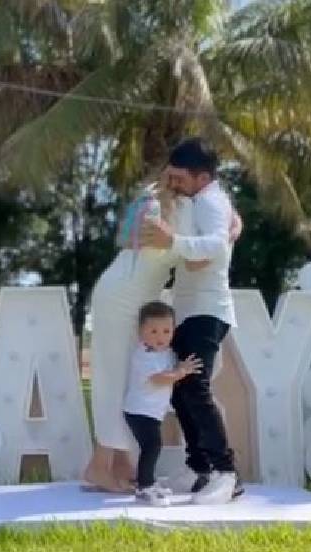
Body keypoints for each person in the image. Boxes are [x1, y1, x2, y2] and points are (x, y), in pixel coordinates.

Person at [82, 165, 243, 494]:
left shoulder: (156, 203)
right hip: (124, 298)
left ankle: (122, 463)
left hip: (130, 294)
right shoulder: (179, 210)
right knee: (115, 378)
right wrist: (227, 235)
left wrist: (227, 227)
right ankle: (99, 466)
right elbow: (198, 260)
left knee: (127, 376)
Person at [140, 137, 241, 505]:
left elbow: (215, 246)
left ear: (201, 177)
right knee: (181, 389)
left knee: (195, 388)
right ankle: (199, 467)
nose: (172, 184)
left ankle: (225, 473)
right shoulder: (199, 199)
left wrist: (173, 241)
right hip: (187, 309)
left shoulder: (213, 201)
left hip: (206, 310)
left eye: (178, 178)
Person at [122, 301, 203, 506]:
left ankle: (147, 482)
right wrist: (181, 371)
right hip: (139, 411)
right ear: (141, 331)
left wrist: (180, 366)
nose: (160, 337)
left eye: (166, 331)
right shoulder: (143, 356)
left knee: (152, 446)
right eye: (153, 331)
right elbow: (159, 378)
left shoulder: (165, 351)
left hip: (151, 411)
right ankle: (144, 486)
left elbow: (170, 365)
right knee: (152, 446)